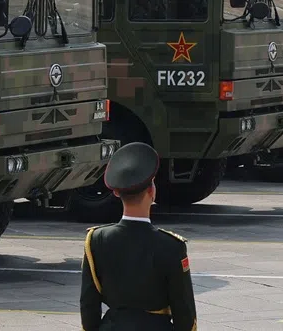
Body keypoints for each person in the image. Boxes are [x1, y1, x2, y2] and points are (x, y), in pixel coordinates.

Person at [80, 142, 198, 331]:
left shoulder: (96, 240)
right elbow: (185, 314)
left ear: (116, 192)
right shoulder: (171, 246)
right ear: (151, 192)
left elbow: (88, 305)